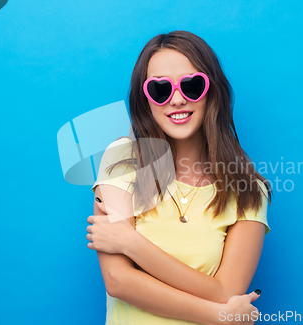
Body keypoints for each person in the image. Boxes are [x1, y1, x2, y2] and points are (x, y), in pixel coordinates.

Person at [86, 30, 272, 325]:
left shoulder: (249, 189)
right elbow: (119, 282)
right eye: (160, 89)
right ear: (145, 99)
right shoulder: (123, 160)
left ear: (212, 92)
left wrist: (131, 243)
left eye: (192, 86)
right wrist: (221, 315)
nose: (176, 100)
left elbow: (227, 290)